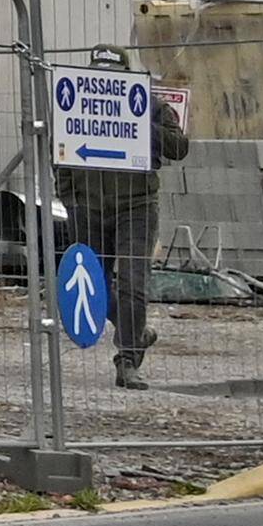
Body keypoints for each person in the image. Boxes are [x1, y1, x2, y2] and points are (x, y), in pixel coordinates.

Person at [55, 53, 195, 387]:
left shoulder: (149, 104)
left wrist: (140, 123)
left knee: (134, 281)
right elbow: (60, 149)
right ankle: (136, 329)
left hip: (136, 206)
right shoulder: (76, 100)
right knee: (93, 283)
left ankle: (127, 359)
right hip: (87, 205)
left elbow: (179, 147)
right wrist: (70, 197)